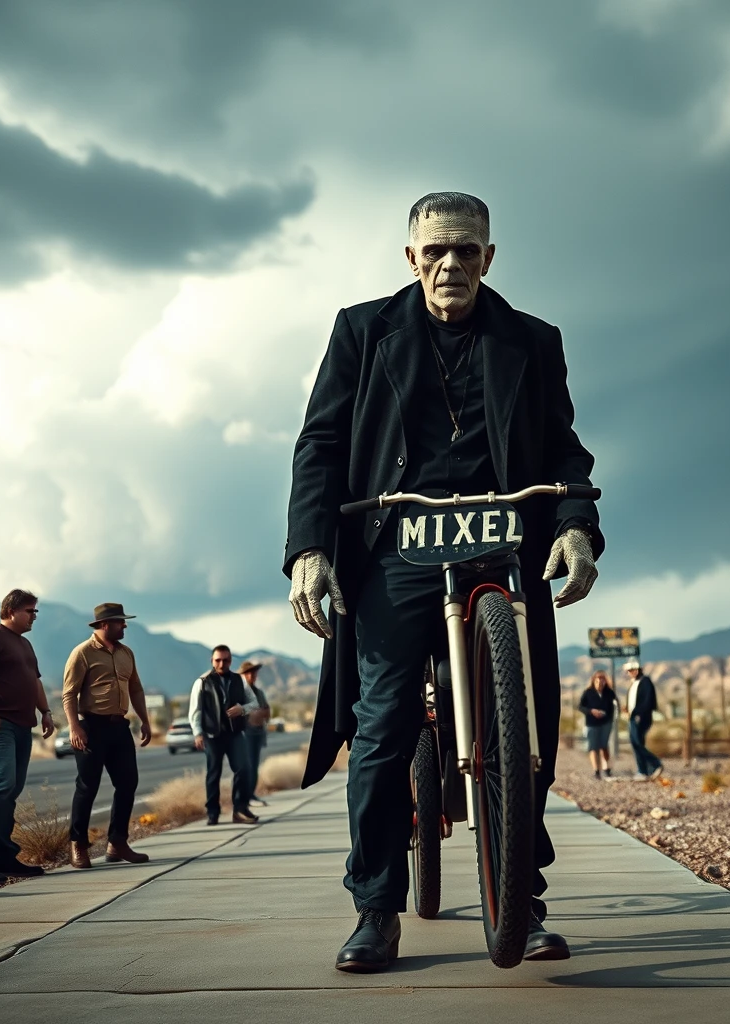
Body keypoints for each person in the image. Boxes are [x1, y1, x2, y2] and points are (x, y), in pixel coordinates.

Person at [284, 192, 602, 972]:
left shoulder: (532, 340)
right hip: (395, 547)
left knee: (518, 720)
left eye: (467, 250)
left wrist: (574, 528)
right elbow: (320, 444)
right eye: (436, 252)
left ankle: (518, 900)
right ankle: (376, 909)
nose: (451, 264)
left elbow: (565, 450)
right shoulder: (363, 331)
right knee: (386, 718)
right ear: (411, 258)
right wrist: (310, 549)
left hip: (499, 545)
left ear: (489, 257)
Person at [0, 589, 56, 884]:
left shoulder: (25, 645)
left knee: (11, 790)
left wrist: (46, 711)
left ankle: (3, 857)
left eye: (35, 611)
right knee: (1, 784)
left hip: (21, 724)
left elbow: (35, 680)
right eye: (30, 611)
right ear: (12, 610)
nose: (34, 617)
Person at [62, 603, 152, 870]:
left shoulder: (127, 653)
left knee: (128, 783)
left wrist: (145, 720)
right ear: (105, 625)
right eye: (120, 622)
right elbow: (69, 694)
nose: (125, 625)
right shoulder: (82, 653)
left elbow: (136, 689)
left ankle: (117, 843)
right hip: (91, 727)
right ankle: (77, 844)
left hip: (119, 727)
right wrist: (74, 727)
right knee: (87, 787)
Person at [188, 645, 259, 825]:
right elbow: (195, 711)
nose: (222, 663)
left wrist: (241, 709)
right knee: (214, 774)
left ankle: (240, 809)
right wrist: (198, 733)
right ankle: (213, 812)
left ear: (230, 661)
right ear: (212, 661)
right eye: (218, 660)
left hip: (235, 733)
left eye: (225, 660)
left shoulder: (239, 680)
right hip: (212, 735)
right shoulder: (202, 682)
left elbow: (254, 703)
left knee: (244, 769)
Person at [239, 659, 271, 806]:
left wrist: (260, 714)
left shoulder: (258, 692)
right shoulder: (240, 692)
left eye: (254, 673)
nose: (252, 676)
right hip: (245, 734)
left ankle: (251, 794)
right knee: (247, 766)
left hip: (258, 733)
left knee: (254, 765)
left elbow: (266, 710)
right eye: (249, 673)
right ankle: (244, 797)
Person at [624, 658, 662, 781]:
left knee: (637, 743)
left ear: (637, 670)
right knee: (636, 744)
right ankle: (643, 771)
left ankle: (655, 764)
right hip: (632, 717)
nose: (629, 672)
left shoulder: (645, 682)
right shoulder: (634, 683)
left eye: (631, 670)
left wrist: (638, 714)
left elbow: (646, 701)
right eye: (628, 670)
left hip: (640, 717)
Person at [579, 671, 618, 779]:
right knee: (593, 746)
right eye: (598, 680)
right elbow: (581, 707)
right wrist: (591, 711)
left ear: (605, 681)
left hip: (605, 723)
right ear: (594, 681)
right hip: (591, 723)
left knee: (604, 746)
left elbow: (614, 707)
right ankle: (596, 770)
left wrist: (608, 718)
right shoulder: (588, 692)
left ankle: (606, 767)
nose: (600, 683)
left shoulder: (609, 693)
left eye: (602, 680)